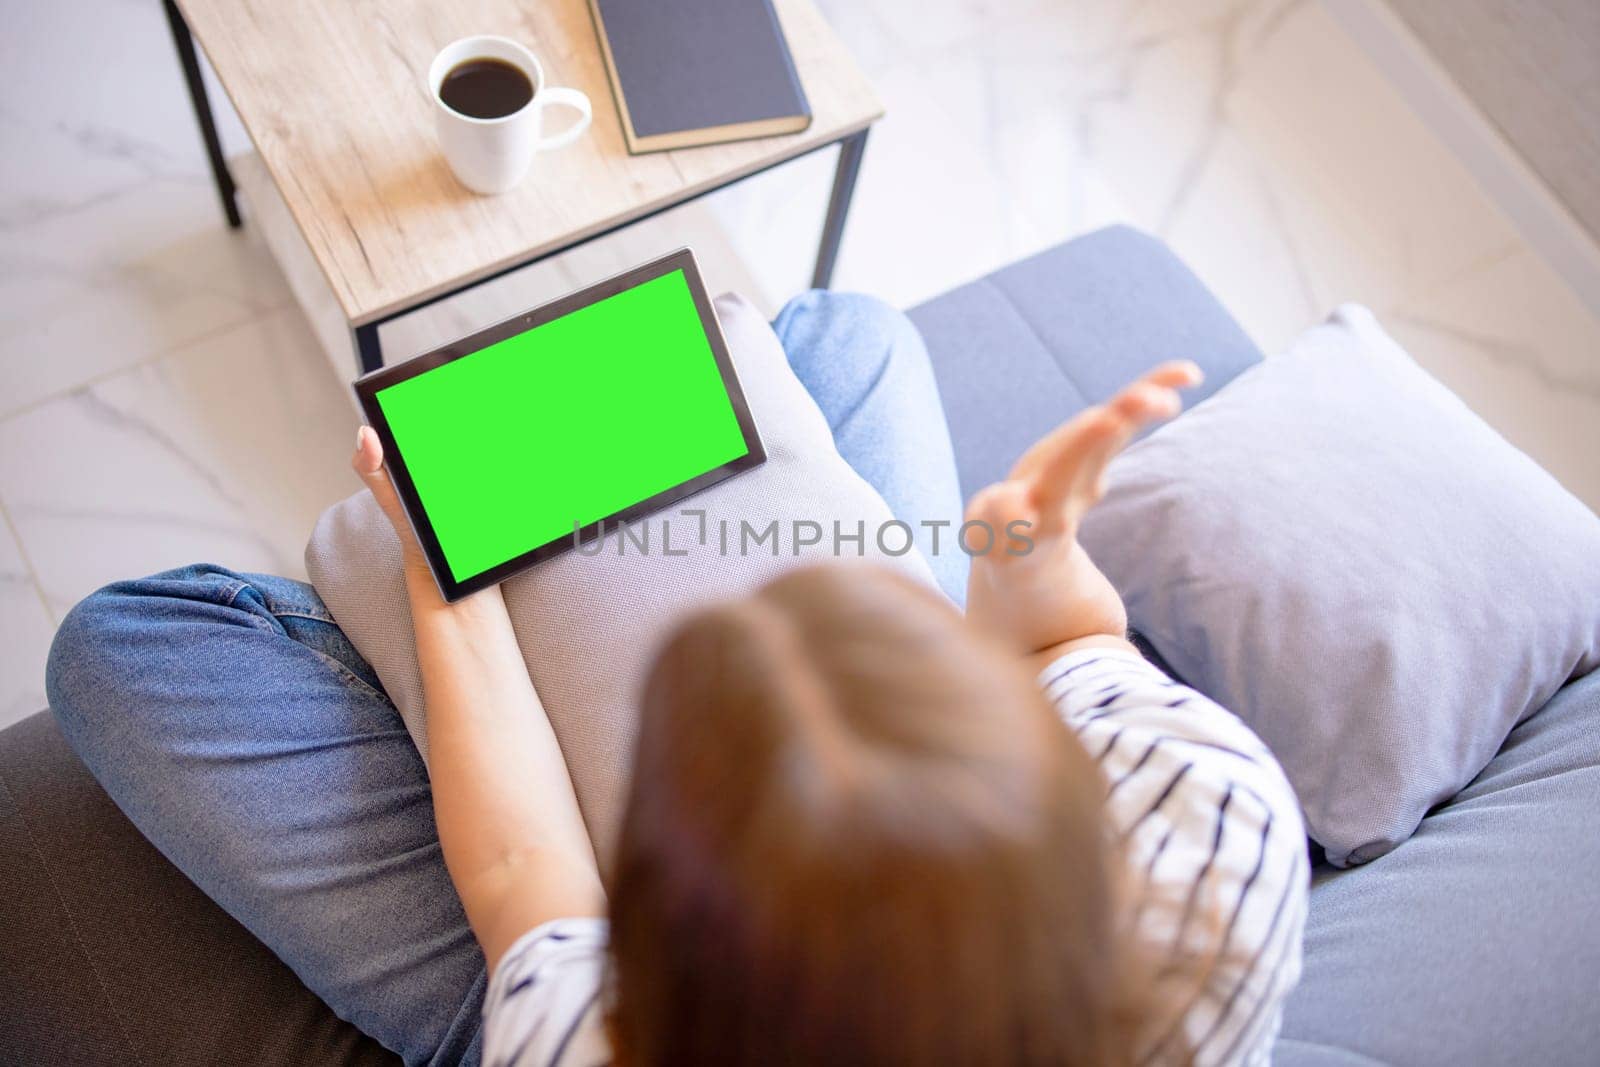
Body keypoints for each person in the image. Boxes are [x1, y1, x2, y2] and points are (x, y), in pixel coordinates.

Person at [47, 292, 1307, 1066]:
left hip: (550, 960)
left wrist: (442, 571)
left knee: (117, 647)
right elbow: (1061, 644)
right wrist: (1029, 559)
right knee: (842, 331)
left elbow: (524, 874)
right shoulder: (1213, 827)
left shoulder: (602, 1036)